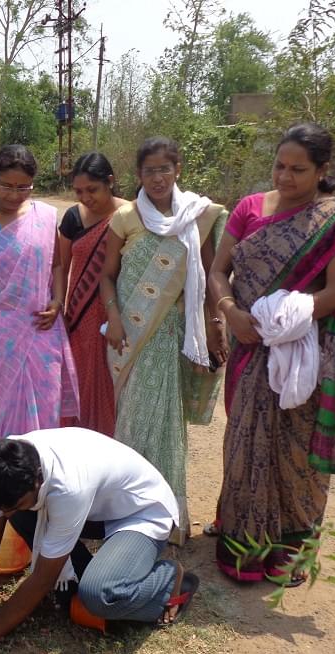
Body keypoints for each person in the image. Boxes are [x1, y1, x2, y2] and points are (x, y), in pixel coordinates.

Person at [207, 123, 335, 584]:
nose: (285, 177)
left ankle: (288, 551)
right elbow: (218, 270)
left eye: (298, 169)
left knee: (296, 454)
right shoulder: (250, 208)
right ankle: (244, 546)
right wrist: (231, 311)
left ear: (322, 170)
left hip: (300, 354)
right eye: (279, 165)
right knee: (244, 443)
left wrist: (281, 320)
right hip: (248, 347)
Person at [0, 428, 198, 654]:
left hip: (142, 512)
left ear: (37, 481)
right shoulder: (4, 465)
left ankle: (168, 578)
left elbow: (42, 579)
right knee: (24, 513)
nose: (6, 515)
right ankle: (86, 575)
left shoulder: (67, 488)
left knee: (99, 596)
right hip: (99, 508)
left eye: (12, 506)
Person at [98, 137, 228, 544]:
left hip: (171, 335)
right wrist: (114, 319)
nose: (157, 177)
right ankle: (124, 516)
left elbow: (207, 276)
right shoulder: (125, 217)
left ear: (178, 170)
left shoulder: (198, 216)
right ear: (139, 175)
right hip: (130, 338)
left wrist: (212, 324)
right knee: (132, 421)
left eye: (164, 169)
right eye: (149, 170)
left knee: (167, 424)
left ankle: (168, 521)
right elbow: (107, 276)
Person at [0, 144, 79, 443]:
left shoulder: (45, 217)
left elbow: (57, 265)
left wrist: (58, 300)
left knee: (47, 411)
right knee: (2, 414)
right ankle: (0, 480)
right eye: (6, 186)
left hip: (41, 329)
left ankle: (40, 478)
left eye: (24, 187)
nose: (13, 194)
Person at [57, 153, 127, 436]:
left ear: (109, 182)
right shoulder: (73, 218)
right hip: (78, 318)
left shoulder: (129, 215)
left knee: (112, 385)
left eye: (92, 190)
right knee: (79, 385)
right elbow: (60, 266)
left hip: (119, 315)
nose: (85, 197)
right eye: (78, 191)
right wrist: (58, 306)